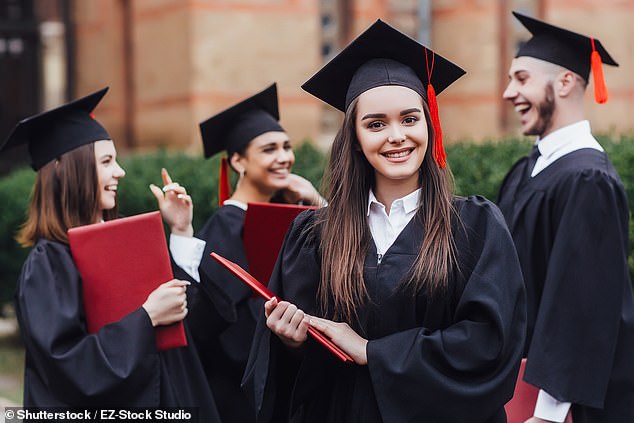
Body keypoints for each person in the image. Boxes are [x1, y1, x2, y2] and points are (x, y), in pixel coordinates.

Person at [242, 20, 526, 423]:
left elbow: (489, 344)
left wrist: (372, 351)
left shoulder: (474, 226)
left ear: (430, 125)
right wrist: (292, 342)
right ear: (355, 137)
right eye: (376, 124)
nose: (396, 136)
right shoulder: (315, 236)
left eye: (410, 119)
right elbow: (291, 377)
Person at [2, 87, 220, 420]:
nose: (120, 172)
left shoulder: (124, 242)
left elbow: (187, 323)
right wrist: (146, 317)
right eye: (106, 161)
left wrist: (180, 231)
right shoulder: (49, 263)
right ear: (65, 169)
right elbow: (68, 365)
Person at [497, 12, 634, 423]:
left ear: (565, 82)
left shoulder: (588, 179)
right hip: (517, 389)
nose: (507, 93)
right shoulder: (528, 170)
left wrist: (548, 413)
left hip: (562, 407)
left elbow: (582, 304)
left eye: (521, 78)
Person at [161, 83, 324, 423]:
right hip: (245, 398)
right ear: (238, 161)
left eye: (286, 147)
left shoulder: (294, 215)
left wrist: (318, 204)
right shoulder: (227, 224)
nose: (284, 157)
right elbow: (224, 324)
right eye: (269, 149)